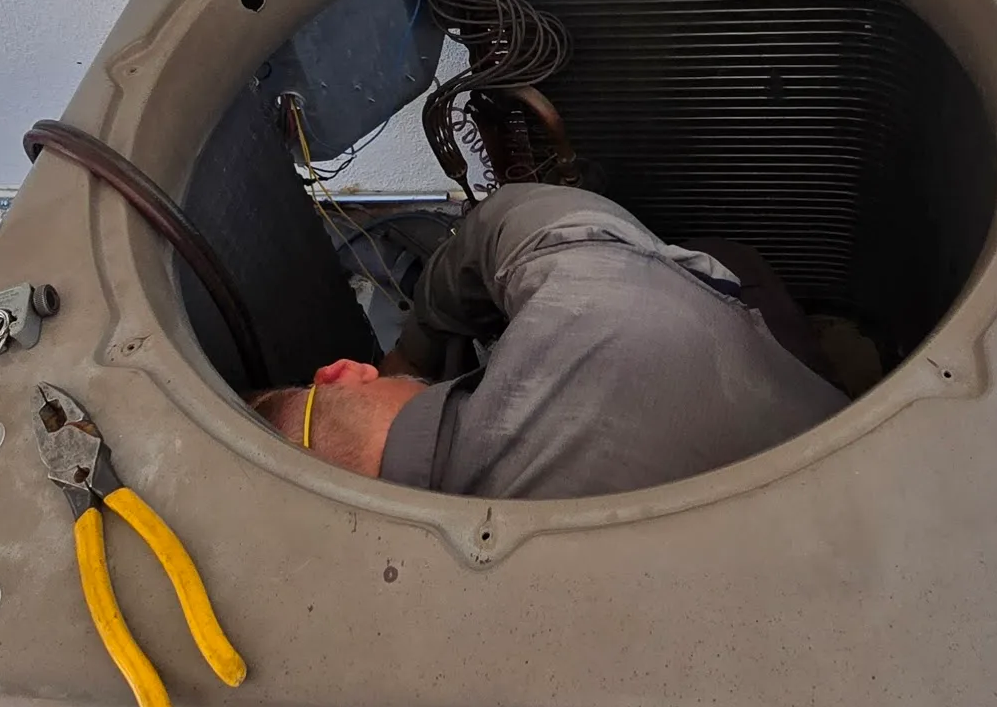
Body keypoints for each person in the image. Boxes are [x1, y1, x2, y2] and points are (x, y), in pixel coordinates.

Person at [248, 183, 846, 499]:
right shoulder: (595, 294)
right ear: (340, 372)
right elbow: (499, 221)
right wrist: (420, 346)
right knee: (726, 261)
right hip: (838, 471)